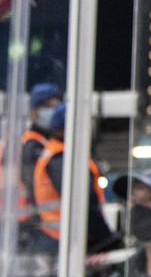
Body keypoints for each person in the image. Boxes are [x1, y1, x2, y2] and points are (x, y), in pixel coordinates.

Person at [30, 103, 120, 255]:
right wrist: (107, 239)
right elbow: (83, 201)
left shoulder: (57, 152)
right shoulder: (62, 158)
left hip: (58, 238)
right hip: (64, 241)